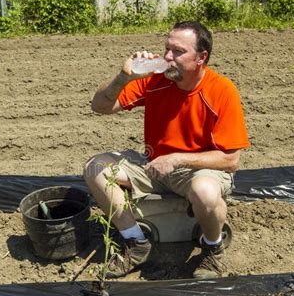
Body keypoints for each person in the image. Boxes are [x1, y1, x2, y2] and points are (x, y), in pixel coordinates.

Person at [83, 21, 249, 279]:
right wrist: (124, 76)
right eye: (167, 49)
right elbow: (99, 106)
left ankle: (212, 249)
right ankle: (136, 243)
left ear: (201, 57)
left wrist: (176, 159)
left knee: (204, 191)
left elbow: (230, 160)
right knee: (96, 168)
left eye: (178, 51)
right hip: (155, 165)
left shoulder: (221, 91)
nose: (167, 57)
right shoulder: (155, 80)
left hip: (198, 170)